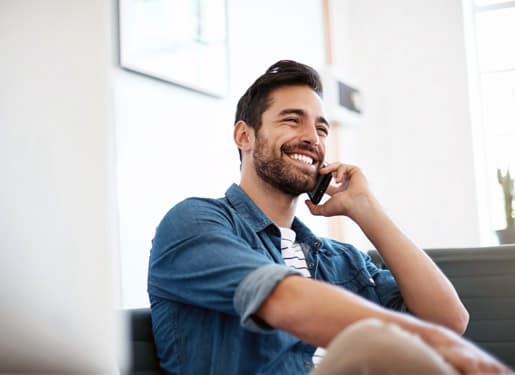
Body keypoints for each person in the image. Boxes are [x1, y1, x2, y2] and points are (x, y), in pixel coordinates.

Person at [147, 60, 510, 374]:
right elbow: (284, 300)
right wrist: (431, 343)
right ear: (245, 135)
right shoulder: (194, 224)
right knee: (367, 344)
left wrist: (367, 210)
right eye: (292, 120)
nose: (312, 138)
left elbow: (449, 320)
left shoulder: (340, 259)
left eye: (321, 129)